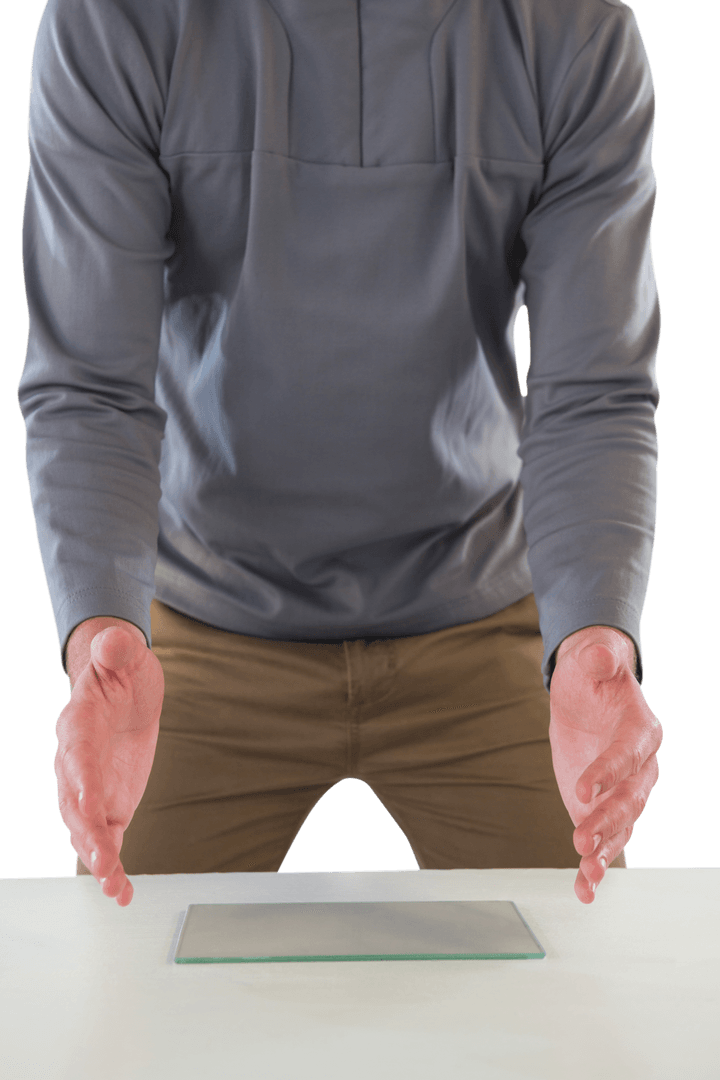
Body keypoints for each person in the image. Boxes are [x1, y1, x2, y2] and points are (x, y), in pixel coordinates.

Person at [19, 0, 662, 909]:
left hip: (479, 610)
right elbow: (90, 385)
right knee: (121, 967)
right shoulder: (114, 20)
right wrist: (100, 633)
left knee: (593, 966)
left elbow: (593, 390)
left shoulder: (574, 29)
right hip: (202, 617)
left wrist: (594, 633)